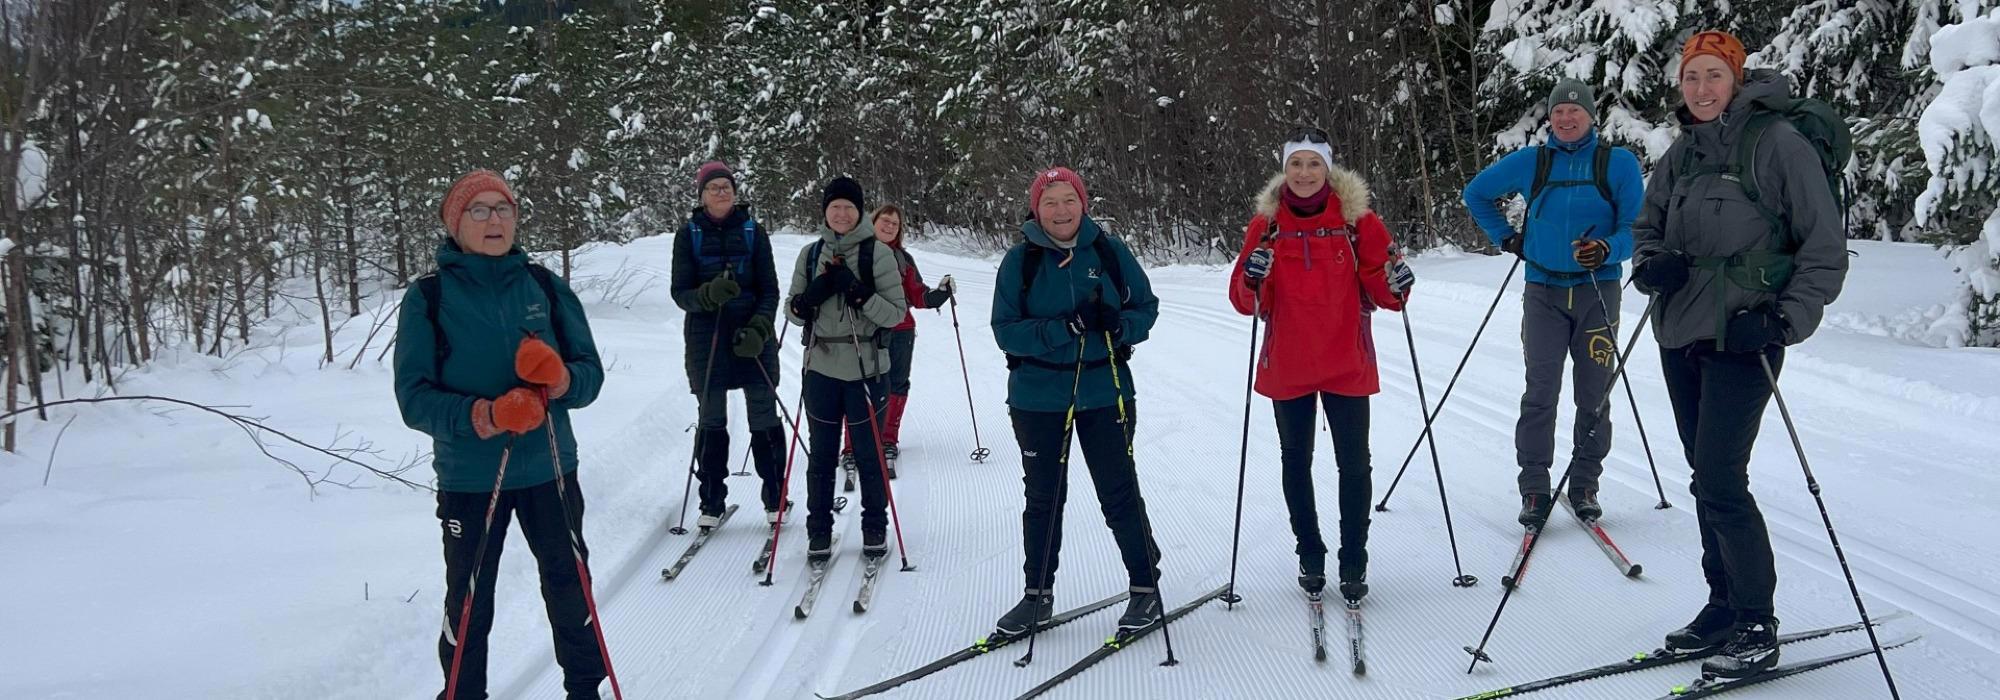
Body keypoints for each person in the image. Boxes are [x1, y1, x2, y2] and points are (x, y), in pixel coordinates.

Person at [1631, 30, 1847, 679]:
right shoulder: (1682, 154)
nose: (1701, 89)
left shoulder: (1778, 145)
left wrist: (1785, 316)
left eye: (1712, 76)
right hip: (1681, 334)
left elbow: (1823, 246)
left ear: (1735, 79)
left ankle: (1756, 621)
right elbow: (1647, 228)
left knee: (1723, 479)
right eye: (1691, 77)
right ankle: (1722, 607)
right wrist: (1651, 266)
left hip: (1745, 336)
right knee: (1705, 477)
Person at [393, 169, 609, 699]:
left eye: (504, 208)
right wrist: (486, 415)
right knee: (469, 603)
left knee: (570, 587)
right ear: (455, 222)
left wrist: (560, 380)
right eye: (480, 210)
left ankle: (585, 690)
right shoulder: (429, 298)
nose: (494, 220)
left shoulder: (544, 286)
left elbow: (589, 376)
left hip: (550, 467)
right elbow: (414, 399)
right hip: (470, 478)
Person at [1227, 128, 1415, 603]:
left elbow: (1384, 292)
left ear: (1328, 170)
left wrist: (1398, 281)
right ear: (1284, 170)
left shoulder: (1359, 223)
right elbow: (1245, 301)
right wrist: (1252, 279)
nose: (1305, 174)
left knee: (1354, 464)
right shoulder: (1265, 226)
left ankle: (1354, 559)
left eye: (1314, 165)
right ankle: (1309, 553)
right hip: (1288, 361)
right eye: (1296, 164)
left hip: (1345, 361)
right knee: (1297, 461)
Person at [989, 166, 1166, 637]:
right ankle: (1036, 596)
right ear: (1036, 209)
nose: (1061, 210)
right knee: (1043, 498)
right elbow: (1005, 330)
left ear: (1082, 203)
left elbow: (1145, 308)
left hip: (1103, 390)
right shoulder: (1019, 261)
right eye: (1050, 202)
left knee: (1118, 491)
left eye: (1069, 199)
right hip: (1037, 397)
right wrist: (1063, 328)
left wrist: (1118, 324)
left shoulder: (1108, 251)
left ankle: (1146, 588)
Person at [1462, 79, 1645, 526]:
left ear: (1590, 116)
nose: (1566, 119)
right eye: (1558, 112)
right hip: (1543, 292)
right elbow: (1476, 194)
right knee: (1541, 392)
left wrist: (1606, 249)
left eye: (1574, 111)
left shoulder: (1616, 164)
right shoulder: (1533, 161)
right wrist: (1508, 239)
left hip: (1597, 291)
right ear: (1550, 118)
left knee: (1594, 393)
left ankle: (1585, 484)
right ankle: (1534, 488)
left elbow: (1635, 229)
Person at [783, 176, 907, 563]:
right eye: (834, 206)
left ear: (859, 212)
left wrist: (858, 292)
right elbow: (791, 309)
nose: (841, 213)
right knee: (821, 456)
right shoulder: (809, 253)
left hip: (867, 369)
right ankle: (818, 532)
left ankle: (874, 528)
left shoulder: (878, 255)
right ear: (825, 211)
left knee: (869, 455)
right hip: (820, 368)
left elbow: (896, 313)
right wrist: (810, 298)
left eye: (848, 207)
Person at [671, 161, 787, 528]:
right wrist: (707, 295)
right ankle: (711, 500)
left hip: (752, 336)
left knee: (763, 415)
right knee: (711, 419)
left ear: (735, 193)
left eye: (726, 187)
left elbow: (770, 289)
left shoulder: (755, 232)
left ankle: (775, 496)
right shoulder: (688, 235)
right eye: (713, 187)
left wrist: (759, 326)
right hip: (707, 339)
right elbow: (680, 293)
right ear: (702, 195)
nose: (721, 192)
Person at [836, 205, 955, 483]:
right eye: (885, 222)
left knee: (896, 384)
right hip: (864, 331)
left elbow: (917, 294)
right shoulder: (856, 254)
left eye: (895, 224)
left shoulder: (903, 258)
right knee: (858, 384)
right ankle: (852, 446)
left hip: (900, 331)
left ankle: (887, 439)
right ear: (872, 223)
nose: (889, 227)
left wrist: (938, 294)